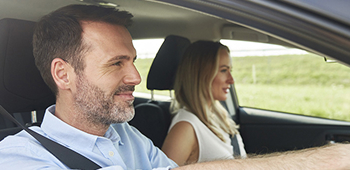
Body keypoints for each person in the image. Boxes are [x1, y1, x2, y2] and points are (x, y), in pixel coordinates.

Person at [0, 4, 350, 170]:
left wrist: (330, 159)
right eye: (116, 63)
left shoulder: (127, 138)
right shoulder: (19, 160)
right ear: (63, 75)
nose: (136, 77)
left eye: (133, 60)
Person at [162, 41, 246, 166]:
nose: (231, 80)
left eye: (230, 70)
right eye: (223, 70)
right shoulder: (185, 127)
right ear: (201, 75)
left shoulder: (218, 114)